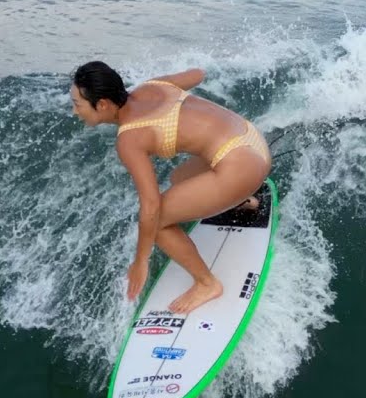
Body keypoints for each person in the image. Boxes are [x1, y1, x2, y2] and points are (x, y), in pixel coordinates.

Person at [70, 62, 271, 314]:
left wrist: (141, 260)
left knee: (158, 221)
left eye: (78, 104)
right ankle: (241, 200)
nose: (75, 111)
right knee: (179, 178)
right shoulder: (153, 85)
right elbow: (198, 74)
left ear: (102, 104)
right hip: (252, 141)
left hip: (242, 169)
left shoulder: (128, 139)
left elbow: (151, 205)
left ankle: (206, 284)